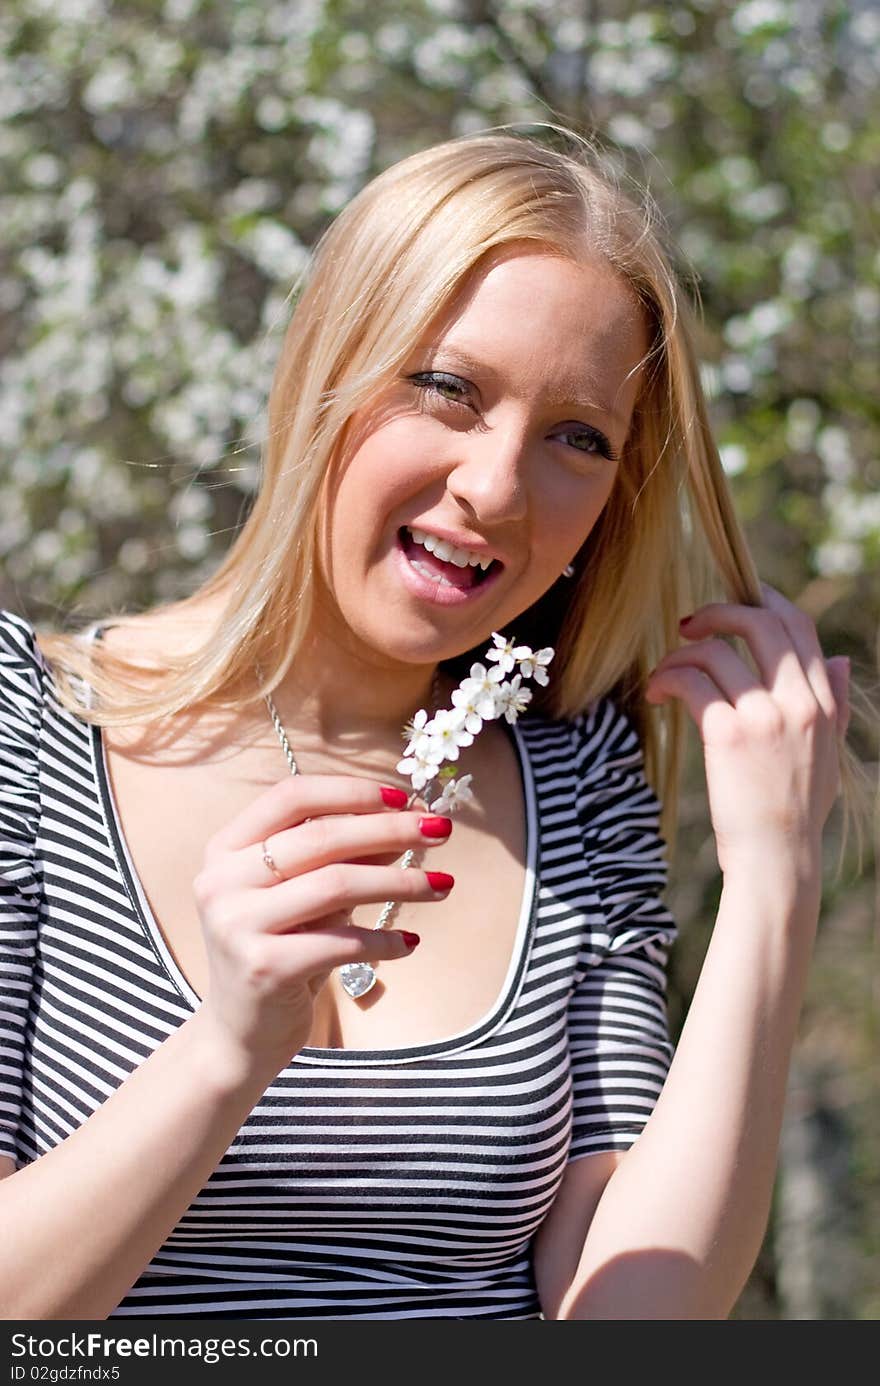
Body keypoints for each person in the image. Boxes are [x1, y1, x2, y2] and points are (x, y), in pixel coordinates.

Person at [0, 125, 853, 1320]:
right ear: (325, 366)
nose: (498, 487)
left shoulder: (580, 779)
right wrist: (228, 1053)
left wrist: (775, 879)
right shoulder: (27, 734)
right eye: (448, 388)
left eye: (577, 439)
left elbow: (632, 1318)